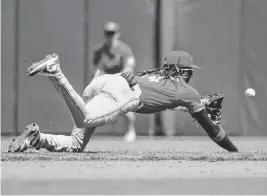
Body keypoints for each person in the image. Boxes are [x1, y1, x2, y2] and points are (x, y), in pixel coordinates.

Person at [8, 51, 238, 153]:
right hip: (125, 94)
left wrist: (197, 104)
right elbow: (213, 131)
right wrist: (232, 149)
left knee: (76, 145)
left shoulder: (155, 76)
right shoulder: (187, 91)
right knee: (85, 118)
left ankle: (36, 139)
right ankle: (55, 70)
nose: (190, 75)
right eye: (188, 71)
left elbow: (162, 100)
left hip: (108, 81)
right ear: (181, 70)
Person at [92, 21, 137, 142]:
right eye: (108, 33)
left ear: (117, 34)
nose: (110, 36)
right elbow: (97, 68)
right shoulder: (99, 50)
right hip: (107, 81)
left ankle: (130, 131)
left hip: (122, 80)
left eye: (112, 33)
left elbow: (129, 66)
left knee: (125, 107)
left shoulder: (124, 49)